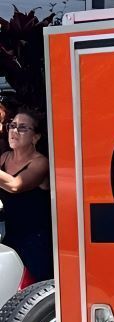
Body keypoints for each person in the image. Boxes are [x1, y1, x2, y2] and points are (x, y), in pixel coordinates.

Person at [0, 108, 52, 282]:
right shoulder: (4, 158)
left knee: (34, 295)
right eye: (12, 126)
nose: (14, 131)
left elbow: (15, 185)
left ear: (35, 137)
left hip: (36, 243)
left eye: (22, 128)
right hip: (12, 237)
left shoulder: (41, 162)